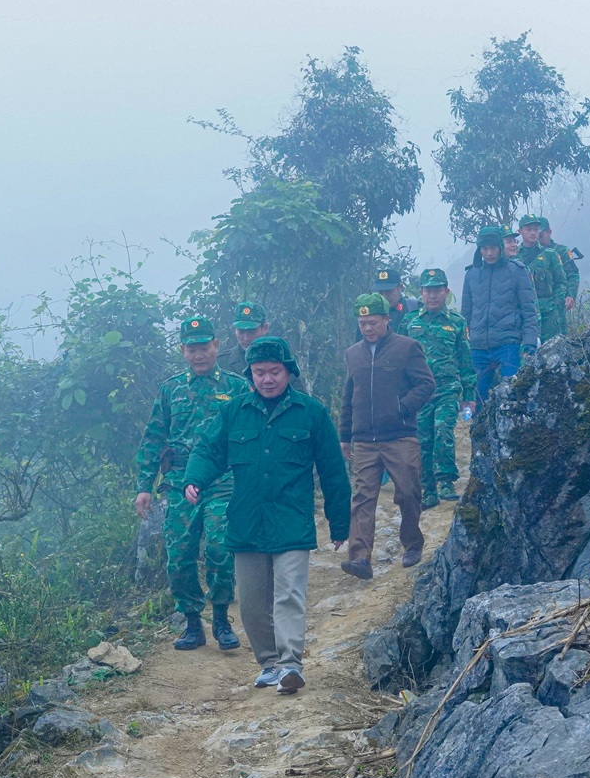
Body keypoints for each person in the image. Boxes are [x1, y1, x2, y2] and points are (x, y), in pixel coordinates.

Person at [183, 336, 351, 695]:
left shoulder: (312, 413)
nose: (267, 379)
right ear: (251, 375)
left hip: (291, 521)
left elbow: (334, 471)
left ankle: (291, 665)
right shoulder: (234, 412)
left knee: (289, 594)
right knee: (253, 601)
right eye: (259, 373)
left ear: (289, 373)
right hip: (246, 522)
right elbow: (209, 451)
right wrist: (194, 480)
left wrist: (340, 523)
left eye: (275, 371)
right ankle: (269, 664)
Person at [134, 316, 252, 651]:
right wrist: (145, 485)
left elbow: (250, 435)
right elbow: (154, 438)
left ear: (217, 346)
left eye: (204, 347)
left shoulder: (236, 387)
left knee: (219, 547)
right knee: (180, 553)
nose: (199, 355)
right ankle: (191, 623)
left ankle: (220, 619)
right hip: (179, 481)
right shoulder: (171, 389)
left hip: (222, 480)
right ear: (183, 351)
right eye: (192, 349)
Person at [338, 293, 436, 579]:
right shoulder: (352, 353)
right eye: (362, 323)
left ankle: (412, 543)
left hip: (400, 436)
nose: (367, 328)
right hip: (364, 440)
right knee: (363, 497)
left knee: (408, 491)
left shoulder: (407, 348)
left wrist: (402, 408)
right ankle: (360, 558)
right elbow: (348, 395)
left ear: (386, 319)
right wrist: (345, 435)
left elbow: (426, 384)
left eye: (372, 322)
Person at [400, 270, 476, 509]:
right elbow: (398, 357)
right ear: (421, 293)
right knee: (423, 438)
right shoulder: (410, 322)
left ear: (446, 292)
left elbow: (465, 360)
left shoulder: (456, 322)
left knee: (443, 429)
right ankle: (428, 488)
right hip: (419, 392)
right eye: (428, 290)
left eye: (437, 290)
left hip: (447, 388)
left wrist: (469, 396)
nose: (433, 295)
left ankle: (446, 481)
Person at [462, 225, 539, 404]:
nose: (489, 253)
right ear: (479, 249)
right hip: (478, 346)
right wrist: (464, 344)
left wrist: (530, 341)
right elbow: (465, 313)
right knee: (478, 397)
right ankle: (479, 431)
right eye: (484, 248)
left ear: (500, 248)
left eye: (493, 248)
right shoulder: (471, 274)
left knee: (511, 393)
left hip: (508, 344)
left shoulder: (517, 271)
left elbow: (529, 310)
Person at [520, 215, 580, 338]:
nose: (534, 235)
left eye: (538, 232)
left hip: (550, 309)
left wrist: (568, 296)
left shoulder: (557, 252)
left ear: (549, 232)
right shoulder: (516, 255)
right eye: (529, 230)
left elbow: (570, 276)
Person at [372, 267, 420, 334]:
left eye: (389, 292)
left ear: (400, 288)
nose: (384, 296)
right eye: (380, 293)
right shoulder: (372, 312)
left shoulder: (415, 308)